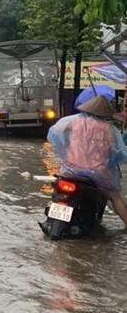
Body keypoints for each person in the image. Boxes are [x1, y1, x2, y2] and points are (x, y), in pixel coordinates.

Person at [47, 95, 127, 227]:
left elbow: (54, 133)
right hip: (97, 173)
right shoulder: (108, 128)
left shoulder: (73, 121)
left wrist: (68, 145)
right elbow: (117, 151)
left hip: (70, 169)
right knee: (115, 197)